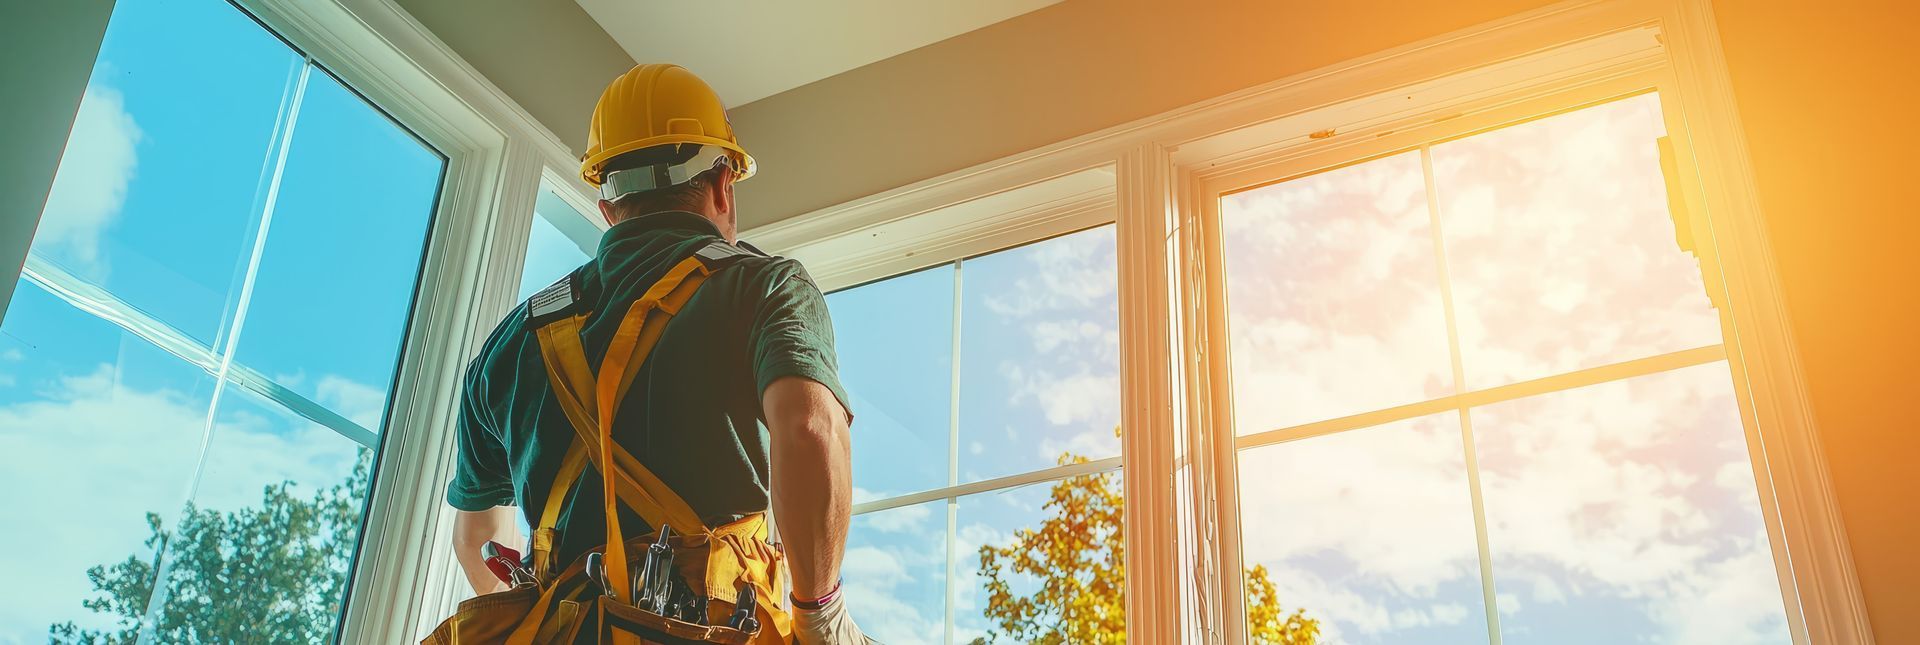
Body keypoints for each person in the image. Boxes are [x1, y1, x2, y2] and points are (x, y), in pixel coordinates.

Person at [442, 63, 872, 644]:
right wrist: (820, 616)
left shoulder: (509, 344)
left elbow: (477, 543)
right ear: (723, 183)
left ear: (607, 207)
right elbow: (809, 430)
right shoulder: (764, 287)